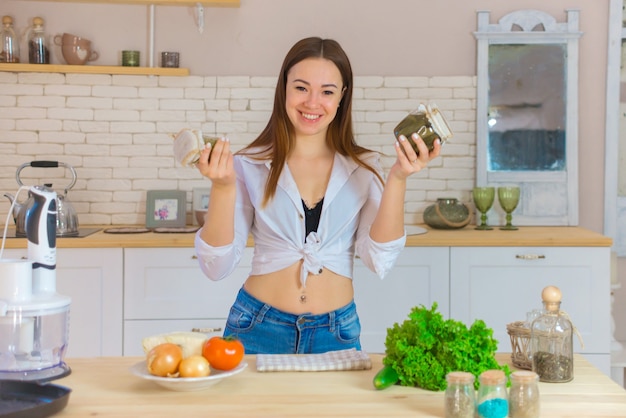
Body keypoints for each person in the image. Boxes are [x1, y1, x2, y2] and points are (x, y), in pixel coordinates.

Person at [193, 37, 441, 354]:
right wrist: (223, 186)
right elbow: (216, 266)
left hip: (335, 333)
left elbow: (379, 258)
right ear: (283, 88)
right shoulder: (248, 165)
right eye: (301, 88)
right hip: (256, 328)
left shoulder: (366, 169)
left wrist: (399, 177)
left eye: (327, 91)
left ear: (342, 97)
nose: (313, 102)